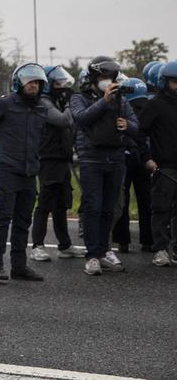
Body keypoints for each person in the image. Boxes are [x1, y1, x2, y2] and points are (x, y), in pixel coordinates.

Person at [0, 64, 59, 282]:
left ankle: (19, 266)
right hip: (8, 170)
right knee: (3, 218)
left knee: (24, 220)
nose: (34, 86)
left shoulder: (41, 108)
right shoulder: (5, 104)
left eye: (37, 83)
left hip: (30, 172)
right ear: (19, 83)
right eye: (30, 82)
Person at [70, 56, 140, 276]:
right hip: (91, 160)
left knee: (110, 209)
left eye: (110, 77)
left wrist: (127, 125)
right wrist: (104, 101)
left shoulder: (122, 100)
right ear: (93, 78)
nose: (106, 81)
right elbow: (81, 118)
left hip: (116, 159)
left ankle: (104, 251)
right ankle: (92, 256)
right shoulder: (78, 98)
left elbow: (137, 127)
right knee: (93, 208)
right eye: (102, 77)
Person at [30, 66, 85, 261]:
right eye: (57, 83)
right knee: (45, 202)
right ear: (48, 85)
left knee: (61, 203)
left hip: (61, 158)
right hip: (48, 159)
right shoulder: (44, 102)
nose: (62, 86)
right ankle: (37, 245)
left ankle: (65, 245)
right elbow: (63, 121)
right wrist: (71, 103)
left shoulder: (57, 101)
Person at [139, 61, 177, 267]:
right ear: (164, 82)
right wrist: (146, 157)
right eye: (174, 82)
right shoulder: (155, 104)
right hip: (164, 165)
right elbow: (139, 133)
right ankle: (160, 249)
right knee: (161, 208)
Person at [111, 79, 153, 253]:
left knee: (123, 199)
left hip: (126, 156)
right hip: (144, 157)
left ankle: (123, 241)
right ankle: (148, 241)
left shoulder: (122, 108)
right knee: (146, 200)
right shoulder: (149, 106)